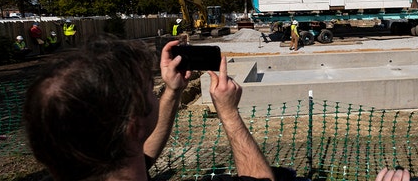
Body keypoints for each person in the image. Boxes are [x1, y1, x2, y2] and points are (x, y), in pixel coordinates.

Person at [23, 35, 276, 181]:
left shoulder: (87, 164)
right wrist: (230, 114)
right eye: (150, 90)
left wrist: (173, 90)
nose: (155, 94)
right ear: (134, 128)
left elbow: (139, 156)